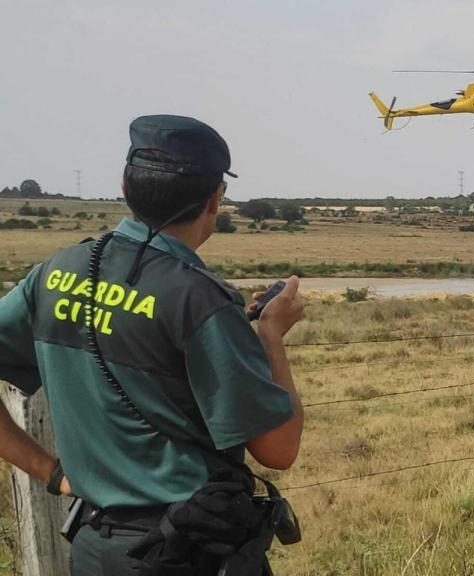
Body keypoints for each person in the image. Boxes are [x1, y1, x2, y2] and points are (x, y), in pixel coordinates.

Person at [0, 114, 304, 575]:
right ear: (215, 198)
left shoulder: (54, 273)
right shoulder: (201, 300)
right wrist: (270, 338)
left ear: (125, 186)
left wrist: (51, 472)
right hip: (185, 551)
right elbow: (279, 450)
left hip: (95, 548)